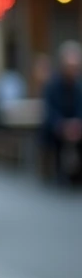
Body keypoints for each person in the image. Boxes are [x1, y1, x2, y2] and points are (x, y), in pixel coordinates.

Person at [40, 40, 82, 186]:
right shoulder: (51, 85)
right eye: (70, 66)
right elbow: (49, 110)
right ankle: (58, 173)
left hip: (76, 126)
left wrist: (77, 123)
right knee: (50, 133)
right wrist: (62, 125)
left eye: (75, 67)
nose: (72, 70)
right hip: (58, 126)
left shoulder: (79, 86)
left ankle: (77, 174)